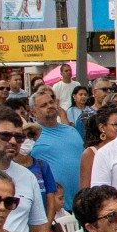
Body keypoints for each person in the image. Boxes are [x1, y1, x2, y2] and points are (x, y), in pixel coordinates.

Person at [26, 84, 86, 213]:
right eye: (43, 105)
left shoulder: (72, 131)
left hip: (81, 205)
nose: (50, 106)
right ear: (33, 112)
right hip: (52, 208)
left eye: (51, 102)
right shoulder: (30, 136)